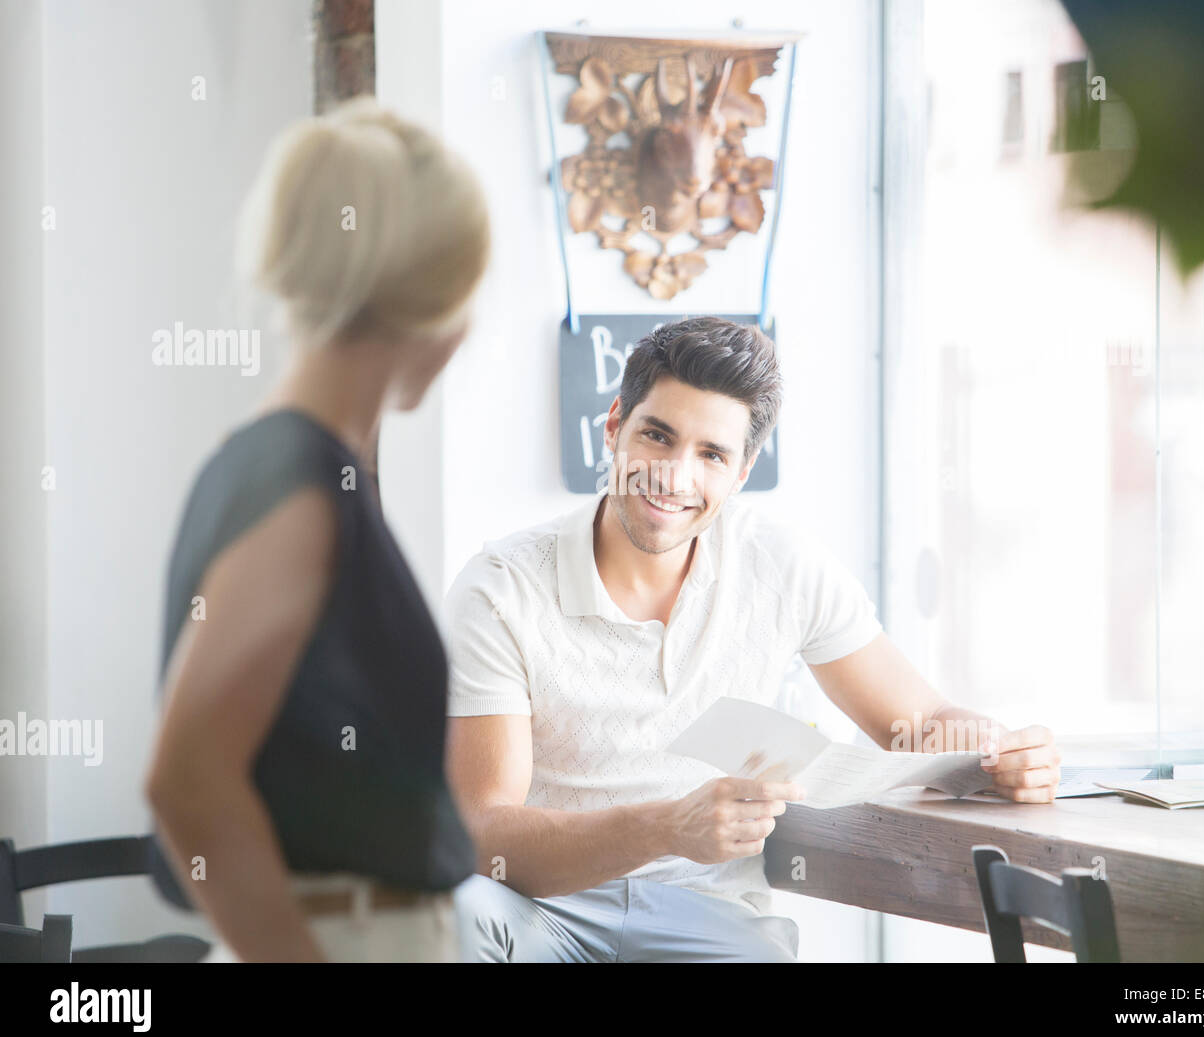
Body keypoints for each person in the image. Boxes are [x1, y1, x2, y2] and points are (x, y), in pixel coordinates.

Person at [443, 316, 1061, 962]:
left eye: (711, 455)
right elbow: (484, 833)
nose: (675, 478)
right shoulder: (501, 589)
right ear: (613, 426)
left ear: (741, 472)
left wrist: (997, 753)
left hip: (707, 919)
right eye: (658, 436)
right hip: (545, 910)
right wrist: (663, 826)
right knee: (458, 914)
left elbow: (921, 722)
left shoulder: (781, 567)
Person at [143, 96, 490, 962]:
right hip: (345, 938)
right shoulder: (303, 489)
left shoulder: (274, 464)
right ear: (428, 302)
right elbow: (187, 781)